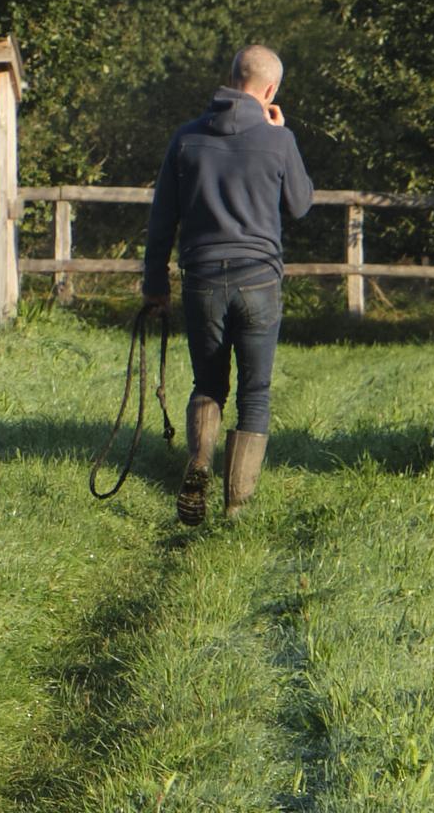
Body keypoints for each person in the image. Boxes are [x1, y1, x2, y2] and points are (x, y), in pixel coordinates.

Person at [141, 44, 313, 525]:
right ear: (271, 90)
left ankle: (199, 461)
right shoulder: (279, 141)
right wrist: (283, 135)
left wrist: (155, 285)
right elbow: (300, 204)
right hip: (259, 279)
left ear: (230, 77)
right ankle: (236, 507)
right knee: (255, 393)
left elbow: (162, 220)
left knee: (208, 383)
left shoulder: (185, 139)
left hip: (202, 281)